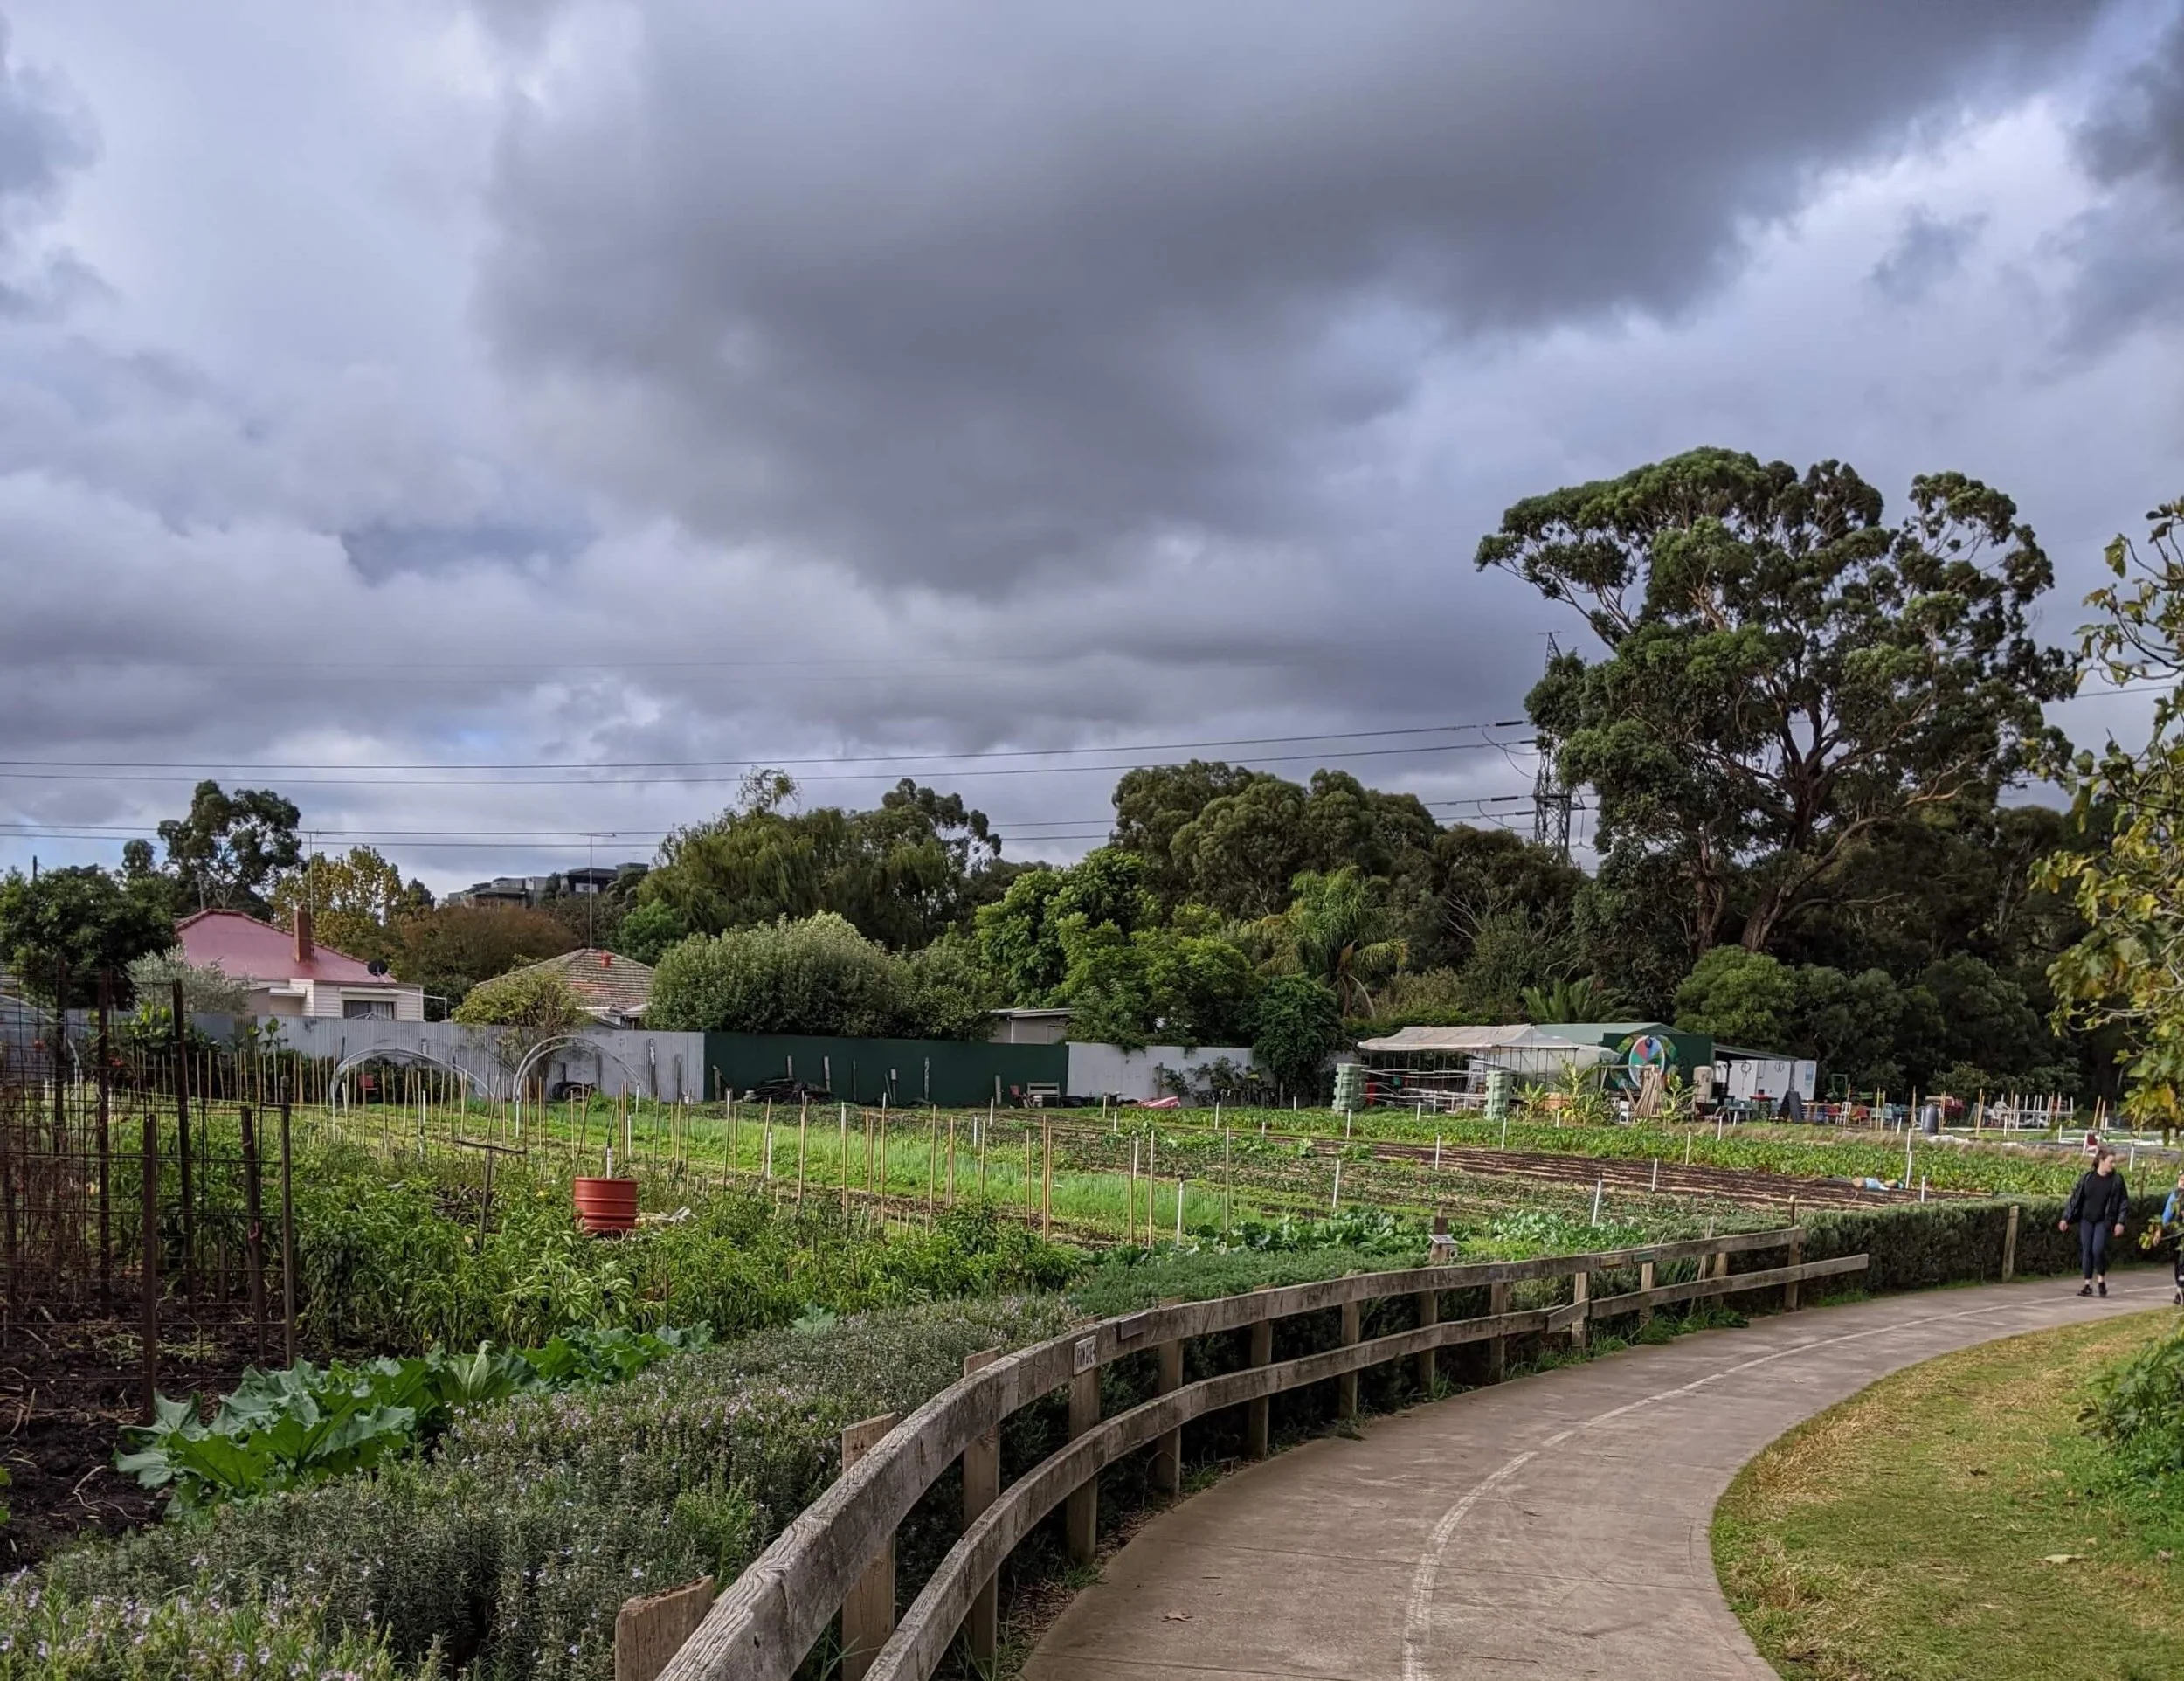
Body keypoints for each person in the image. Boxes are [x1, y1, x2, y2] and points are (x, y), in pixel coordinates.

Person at [2059, 1147, 2129, 1297]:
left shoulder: (2116, 1180)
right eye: (2111, 1162)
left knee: (2097, 1250)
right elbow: (2075, 1199)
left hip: (2103, 1221)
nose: (2113, 1165)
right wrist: (2066, 1218)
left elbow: (2123, 1202)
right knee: (2087, 1251)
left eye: (2114, 1162)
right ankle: (2088, 1284)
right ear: (2101, 1162)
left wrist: (2120, 1222)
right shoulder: (2088, 1178)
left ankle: (2101, 1280)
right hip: (2086, 1219)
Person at [2162, 1170, 2184, 1308]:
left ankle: (2179, 1291)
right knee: (2178, 1263)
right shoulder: (2175, 1196)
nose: (2182, 1183)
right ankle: (2179, 1289)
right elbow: (2166, 1215)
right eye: (2181, 1180)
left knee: (2183, 1263)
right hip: (2177, 1235)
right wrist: (2162, 1228)